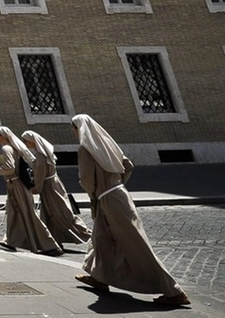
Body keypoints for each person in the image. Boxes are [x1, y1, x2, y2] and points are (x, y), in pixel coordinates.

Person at [72, 114, 190, 307]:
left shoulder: (85, 148)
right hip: (118, 194)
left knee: (134, 243)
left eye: (74, 128)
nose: (73, 132)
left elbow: (86, 179)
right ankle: (99, 277)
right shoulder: (107, 143)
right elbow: (128, 165)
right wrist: (116, 184)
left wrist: (97, 192)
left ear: (78, 129)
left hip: (107, 198)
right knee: (101, 238)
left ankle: (173, 290)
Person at [0, 126, 61, 255]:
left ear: (4, 136)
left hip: (15, 185)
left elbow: (9, 168)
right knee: (13, 213)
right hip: (15, 184)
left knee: (28, 214)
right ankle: (10, 240)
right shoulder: (12, 148)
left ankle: (48, 243)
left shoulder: (6, 148)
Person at [21, 129, 90, 246]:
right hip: (54, 184)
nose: (25, 143)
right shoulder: (45, 152)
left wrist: (36, 188)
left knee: (60, 213)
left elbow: (40, 174)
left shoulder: (40, 155)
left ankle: (86, 235)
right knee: (50, 213)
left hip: (49, 188)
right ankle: (53, 238)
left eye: (26, 141)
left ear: (33, 141)